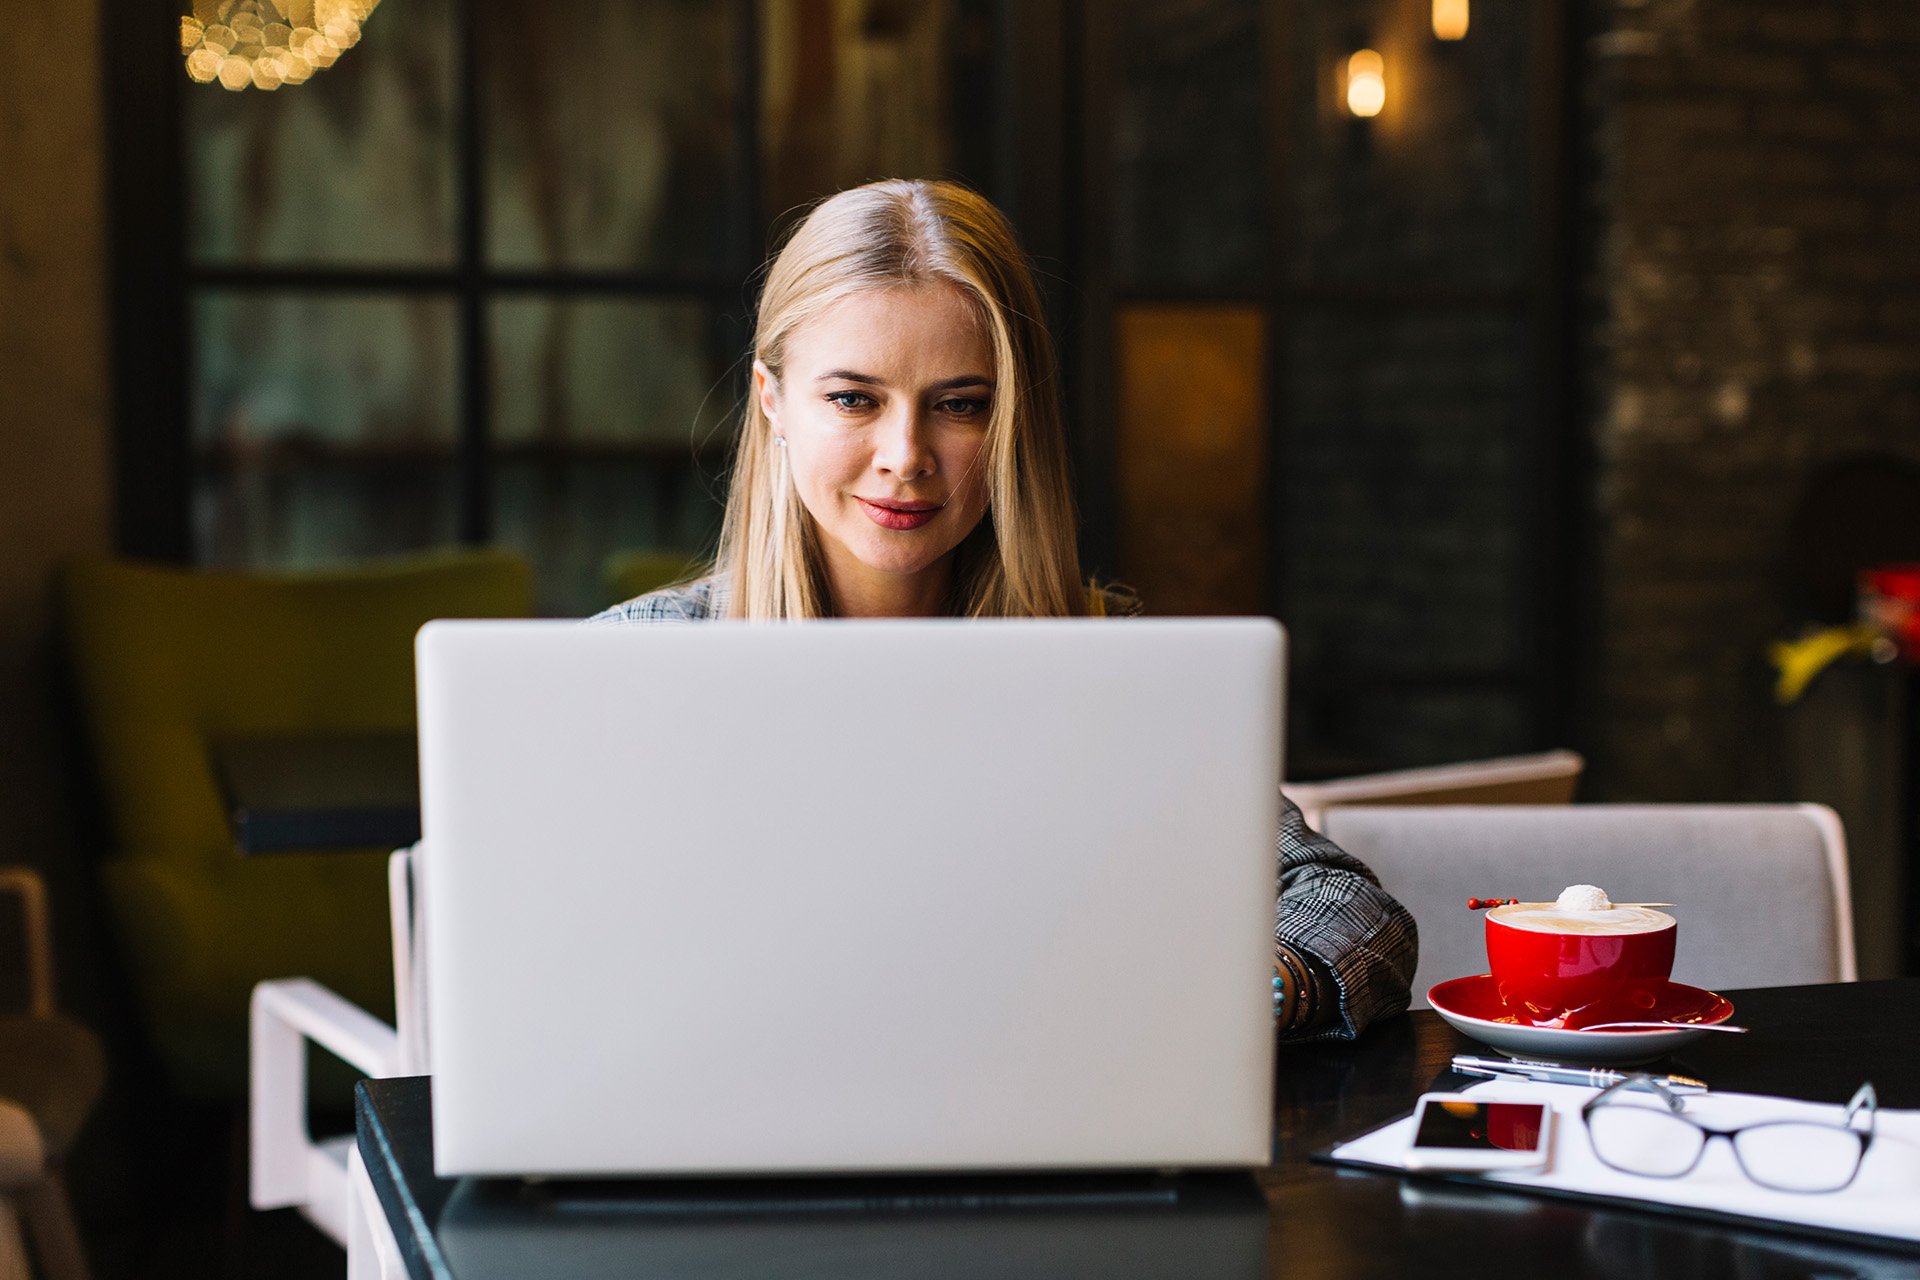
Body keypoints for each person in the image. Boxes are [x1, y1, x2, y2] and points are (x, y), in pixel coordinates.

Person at [590, 178, 1416, 1040]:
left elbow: (1352, 909)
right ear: (772, 402)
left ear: (1011, 419)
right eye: (853, 398)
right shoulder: (626, 668)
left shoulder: (1103, 669)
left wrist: (1254, 993)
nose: (906, 458)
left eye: (960, 406)